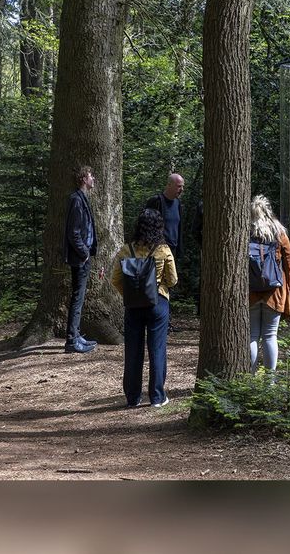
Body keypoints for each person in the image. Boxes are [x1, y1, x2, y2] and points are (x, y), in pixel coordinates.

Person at [111, 209, 178, 407]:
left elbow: (115, 280)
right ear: (158, 227)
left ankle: (132, 397)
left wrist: (130, 295)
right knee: (157, 349)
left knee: (133, 350)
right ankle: (157, 397)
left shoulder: (125, 250)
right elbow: (173, 280)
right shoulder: (163, 249)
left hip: (133, 306)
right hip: (158, 303)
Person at [247, 195, 290, 375]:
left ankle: (250, 378)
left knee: (252, 336)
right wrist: (289, 284)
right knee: (270, 336)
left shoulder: (246, 232)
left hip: (251, 291)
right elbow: (289, 261)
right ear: (268, 211)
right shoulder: (279, 233)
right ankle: (270, 382)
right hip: (274, 292)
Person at [62, 166, 101, 353]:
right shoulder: (76, 200)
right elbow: (73, 233)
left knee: (80, 296)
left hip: (83, 256)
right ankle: (71, 340)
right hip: (80, 258)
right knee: (77, 298)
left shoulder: (82, 199)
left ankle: (76, 335)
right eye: (91, 175)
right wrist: (84, 253)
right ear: (83, 179)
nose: (93, 178)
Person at [145, 173, 184, 261]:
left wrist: (179, 251)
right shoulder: (156, 201)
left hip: (172, 251)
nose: (182, 189)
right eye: (179, 186)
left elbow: (179, 228)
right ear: (169, 185)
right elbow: (145, 226)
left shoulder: (178, 203)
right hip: (157, 251)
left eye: (182, 186)